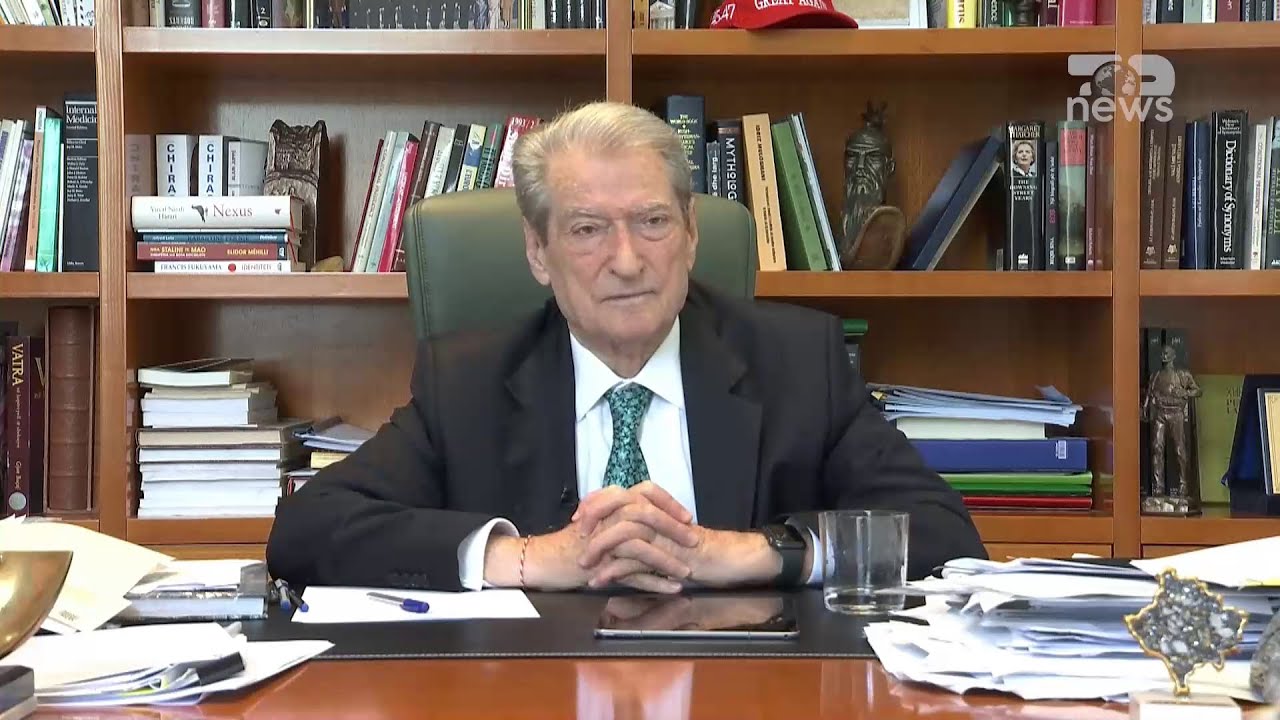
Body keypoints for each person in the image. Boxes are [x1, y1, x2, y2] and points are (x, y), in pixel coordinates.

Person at [266, 101, 985, 594]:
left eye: (652, 222)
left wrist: (752, 552)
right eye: (587, 230)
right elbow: (307, 531)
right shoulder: (469, 383)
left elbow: (944, 535)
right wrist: (530, 559)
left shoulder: (798, 361)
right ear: (538, 252)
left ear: (691, 235)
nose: (628, 260)